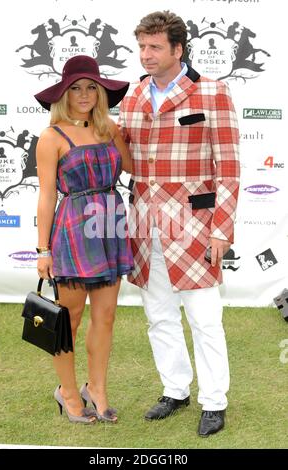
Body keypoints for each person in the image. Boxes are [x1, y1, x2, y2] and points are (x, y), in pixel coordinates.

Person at [118, 11, 240, 436]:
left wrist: (222, 229)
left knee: (205, 318)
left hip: (195, 226)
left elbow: (228, 169)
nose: (145, 55)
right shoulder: (133, 96)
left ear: (177, 49)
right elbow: (125, 156)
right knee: (159, 316)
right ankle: (175, 389)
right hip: (145, 224)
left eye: (154, 47)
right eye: (142, 47)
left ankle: (214, 400)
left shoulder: (212, 93)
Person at [34, 55, 133, 424]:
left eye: (92, 87)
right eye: (75, 88)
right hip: (74, 230)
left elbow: (134, 167)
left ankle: (98, 389)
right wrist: (43, 250)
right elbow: (46, 197)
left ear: (101, 92)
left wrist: (136, 130)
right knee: (69, 319)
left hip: (109, 226)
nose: (84, 94)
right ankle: (68, 392)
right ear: (63, 93)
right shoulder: (51, 137)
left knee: (105, 316)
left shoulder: (109, 128)